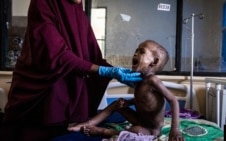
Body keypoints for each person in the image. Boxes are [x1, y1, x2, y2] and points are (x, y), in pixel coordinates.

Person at [0, 0, 142, 141]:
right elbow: (57, 55)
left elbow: (93, 56)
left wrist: (119, 74)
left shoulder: (77, 9)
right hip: (39, 97)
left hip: (68, 100)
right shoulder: (43, 3)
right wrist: (107, 72)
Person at [68, 40, 184, 141]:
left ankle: (103, 131)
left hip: (150, 129)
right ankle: (89, 123)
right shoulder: (139, 80)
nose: (135, 53)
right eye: (136, 50)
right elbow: (144, 99)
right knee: (116, 104)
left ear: (154, 62)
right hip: (139, 120)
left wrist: (175, 129)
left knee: (135, 131)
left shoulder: (153, 80)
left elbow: (173, 100)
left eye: (141, 51)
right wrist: (128, 103)